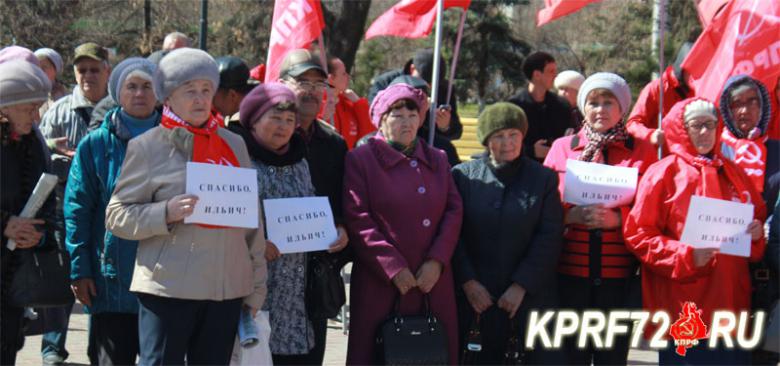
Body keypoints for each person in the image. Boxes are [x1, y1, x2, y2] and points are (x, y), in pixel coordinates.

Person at [105, 48, 266, 365]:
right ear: (168, 97)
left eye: (206, 90)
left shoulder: (234, 144)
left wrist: (255, 287)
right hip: (168, 290)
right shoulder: (148, 146)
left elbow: (252, 223)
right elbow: (116, 215)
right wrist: (165, 212)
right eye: (189, 90)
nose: (200, 98)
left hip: (225, 290)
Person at [624, 98, 766, 365]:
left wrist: (757, 235)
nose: (704, 132)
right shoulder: (662, 173)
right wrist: (684, 255)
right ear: (681, 129)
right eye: (696, 125)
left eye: (710, 125)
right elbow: (638, 235)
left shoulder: (735, 173)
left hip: (731, 310)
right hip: (683, 310)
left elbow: (757, 222)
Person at [343, 83, 463, 364]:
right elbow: (357, 217)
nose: (407, 123)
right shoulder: (361, 160)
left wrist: (437, 261)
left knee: (432, 353)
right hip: (381, 282)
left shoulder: (438, 158)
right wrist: (393, 267)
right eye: (397, 116)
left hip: (432, 280)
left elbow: (453, 210)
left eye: (413, 115)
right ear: (381, 120)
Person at [543, 73, 657, 365]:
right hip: (569, 275)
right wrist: (570, 214)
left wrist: (619, 219)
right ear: (583, 107)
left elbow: (653, 212)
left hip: (618, 278)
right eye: (593, 102)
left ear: (622, 109)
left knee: (612, 358)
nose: (600, 110)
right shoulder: (562, 148)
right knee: (570, 357)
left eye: (609, 102)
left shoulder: (642, 152)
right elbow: (542, 209)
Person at [452, 102, 565, 364]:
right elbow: (452, 235)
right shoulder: (463, 177)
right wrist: (468, 282)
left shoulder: (543, 179)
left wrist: (521, 285)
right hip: (476, 299)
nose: (508, 143)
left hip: (528, 299)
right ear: (486, 140)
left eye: (514, 134)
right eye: (499, 136)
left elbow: (549, 236)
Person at [64, 57, 160, 365]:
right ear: (118, 93)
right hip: (111, 281)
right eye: (131, 86)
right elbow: (77, 209)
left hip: (165, 281)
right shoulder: (94, 146)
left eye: (147, 86)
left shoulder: (178, 141)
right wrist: (80, 269)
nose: (140, 94)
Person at [38, 42, 112, 364]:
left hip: (106, 214)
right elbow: (38, 156)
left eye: (95, 69)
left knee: (98, 282)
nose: (88, 76)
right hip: (62, 209)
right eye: (82, 70)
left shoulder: (116, 111)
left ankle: (99, 349)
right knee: (61, 280)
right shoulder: (60, 110)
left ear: (107, 71)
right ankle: (52, 349)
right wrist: (58, 154)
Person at [277, 48, 349, 365]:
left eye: (319, 84)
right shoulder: (255, 135)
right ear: (280, 83)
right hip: (267, 275)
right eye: (302, 81)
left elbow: (343, 201)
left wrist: (343, 228)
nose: (311, 90)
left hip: (314, 279)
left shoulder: (334, 144)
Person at [0, 59, 54, 366]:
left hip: (13, 280)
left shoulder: (33, 142)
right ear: (4, 106)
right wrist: (5, 224)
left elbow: (47, 202)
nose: (36, 117)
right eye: (29, 108)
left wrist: (38, 232)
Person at [369, 48, 463, 141]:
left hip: (429, 147)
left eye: (434, 84)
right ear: (412, 69)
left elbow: (456, 132)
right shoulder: (385, 82)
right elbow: (375, 118)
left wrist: (445, 126)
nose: (429, 87)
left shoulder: (444, 89)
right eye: (424, 81)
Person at [718, 75, 779, 207]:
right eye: (737, 103)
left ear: (762, 107)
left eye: (752, 102)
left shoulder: (777, 151)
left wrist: (766, 226)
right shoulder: (715, 152)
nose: (744, 110)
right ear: (727, 111)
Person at [508, 51, 576, 162]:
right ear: (537, 75)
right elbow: (504, 142)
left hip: (555, 165)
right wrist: (531, 151)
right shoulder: (514, 107)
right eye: (551, 71)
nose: (555, 75)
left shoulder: (562, 105)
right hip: (522, 168)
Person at [626, 42, 695, 147]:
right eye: (693, 70)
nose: (697, 74)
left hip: (687, 159)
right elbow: (632, 125)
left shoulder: (701, 90)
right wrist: (651, 135)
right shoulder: (657, 88)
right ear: (682, 68)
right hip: (657, 158)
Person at [323, 56, 375, 149]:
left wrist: (359, 104)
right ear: (330, 78)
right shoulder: (319, 105)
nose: (348, 76)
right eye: (343, 73)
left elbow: (369, 135)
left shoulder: (349, 104)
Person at [213, 56, 258, 127]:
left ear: (232, 95)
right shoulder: (261, 114)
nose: (209, 101)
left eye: (213, 95)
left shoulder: (243, 127)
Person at [34, 48, 68, 116]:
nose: (40, 71)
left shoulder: (64, 96)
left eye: (44, 67)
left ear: (56, 70)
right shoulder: (29, 94)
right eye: (37, 67)